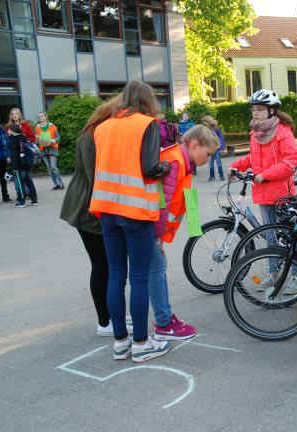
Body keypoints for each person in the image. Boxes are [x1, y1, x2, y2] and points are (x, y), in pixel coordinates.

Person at [89, 81, 171, 363]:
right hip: (135, 211)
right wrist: (166, 167)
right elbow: (150, 167)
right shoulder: (145, 124)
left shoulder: (103, 126)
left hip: (107, 210)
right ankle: (141, 344)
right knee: (138, 278)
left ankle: (121, 342)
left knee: (115, 275)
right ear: (148, 101)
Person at [60, 96, 136, 337]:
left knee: (109, 266)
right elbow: (96, 178)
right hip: (88, 208)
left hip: (96, 205)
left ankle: (112, 314)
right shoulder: (91, 134)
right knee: (103, 266)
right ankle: (105, 321)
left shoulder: (101, 132)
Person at [149, 124, 219, 340]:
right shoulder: (176, 161)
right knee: (156, 270)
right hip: (150, 229)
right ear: (194, 145)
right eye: (207, 154)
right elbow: (164, 203)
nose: (208, 159)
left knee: (155, 270)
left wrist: (196, 228)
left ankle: (165, 316)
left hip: (151, 229)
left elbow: (188, 196)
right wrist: (158, 237)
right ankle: (163, 322)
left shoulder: (183, 162)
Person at [229, 89, 297, 288]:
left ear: (271, 111)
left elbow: (290, 162)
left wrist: (265, 175)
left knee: (287, 238)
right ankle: (274, 274)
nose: (255, 113)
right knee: (270, 238)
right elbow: (254, 159)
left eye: (260, 109)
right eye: (253, 109)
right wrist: (237, 166)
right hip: (262, 194)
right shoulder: (256, 133)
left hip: (281, 195)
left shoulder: (283, 132)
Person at [7, 124, 38, 207]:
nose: (8, 131)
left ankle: (22, 201)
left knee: (21, 183)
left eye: (9, 130)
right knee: (29, 182)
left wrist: (14, 167)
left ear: (13, 131)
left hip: (19, 165)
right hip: (27, 163)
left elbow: (14, 155)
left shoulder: (13, 139)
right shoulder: (23, 137)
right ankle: (34, 200)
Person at [35, 112, 64, 190]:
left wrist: (53, 140)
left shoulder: (52, 126)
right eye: (39, 116)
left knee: (53, 167)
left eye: (42, 116)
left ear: (46, 117)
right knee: (49, 168)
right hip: (43, 149)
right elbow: (36, 140)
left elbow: (58, 138)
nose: (40, 118)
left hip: (52, 148)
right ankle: (56, 184)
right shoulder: (37, 128)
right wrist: (37, 139)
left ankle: (61, 183)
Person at [201, 115, 226, 181]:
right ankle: (212, 176)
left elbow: (221, 138)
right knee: (211, 164)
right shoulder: (204, 130)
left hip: (216, 149)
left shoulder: (216, 129)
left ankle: (221, 176)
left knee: (219, 163)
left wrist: (221, 147)